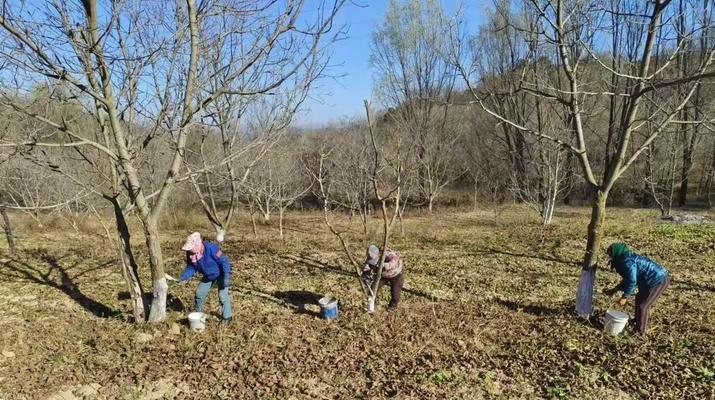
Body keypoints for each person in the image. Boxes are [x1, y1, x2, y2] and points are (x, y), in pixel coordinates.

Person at [602, 242, 670, 336]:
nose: (610, 257)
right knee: (639, 299)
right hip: (647, 281)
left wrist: (625, 297)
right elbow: (627, 279)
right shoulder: (624, 259)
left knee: (643, 305)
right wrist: (615, 289)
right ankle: (637, 321)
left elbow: (631, 281)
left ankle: (640, 333)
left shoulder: (627, 261)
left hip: (658, 280)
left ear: (616, 253)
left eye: (611, 254)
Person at [178, 232, 233, 325]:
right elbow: (191, 267)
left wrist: (226, 276)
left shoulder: (211, 248)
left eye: (191, 247)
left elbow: (223, 261)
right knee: (199, 293)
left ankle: (227, 317)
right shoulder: (190, 254)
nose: (190, 250)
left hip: (221, 274)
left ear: (197, 244)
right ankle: (198, 313)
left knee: (223, 296)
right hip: (208, 275)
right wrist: (183, 277)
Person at [362, 244, 404, 310]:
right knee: (373, 288)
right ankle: (372, 304)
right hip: (382, 275)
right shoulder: (369, 258)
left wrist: (384, 265)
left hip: (396, 275)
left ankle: (392, 306)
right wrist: (365, 275)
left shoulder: (388, 254)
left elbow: (394, 260)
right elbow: (367, 266)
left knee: (395, 292)